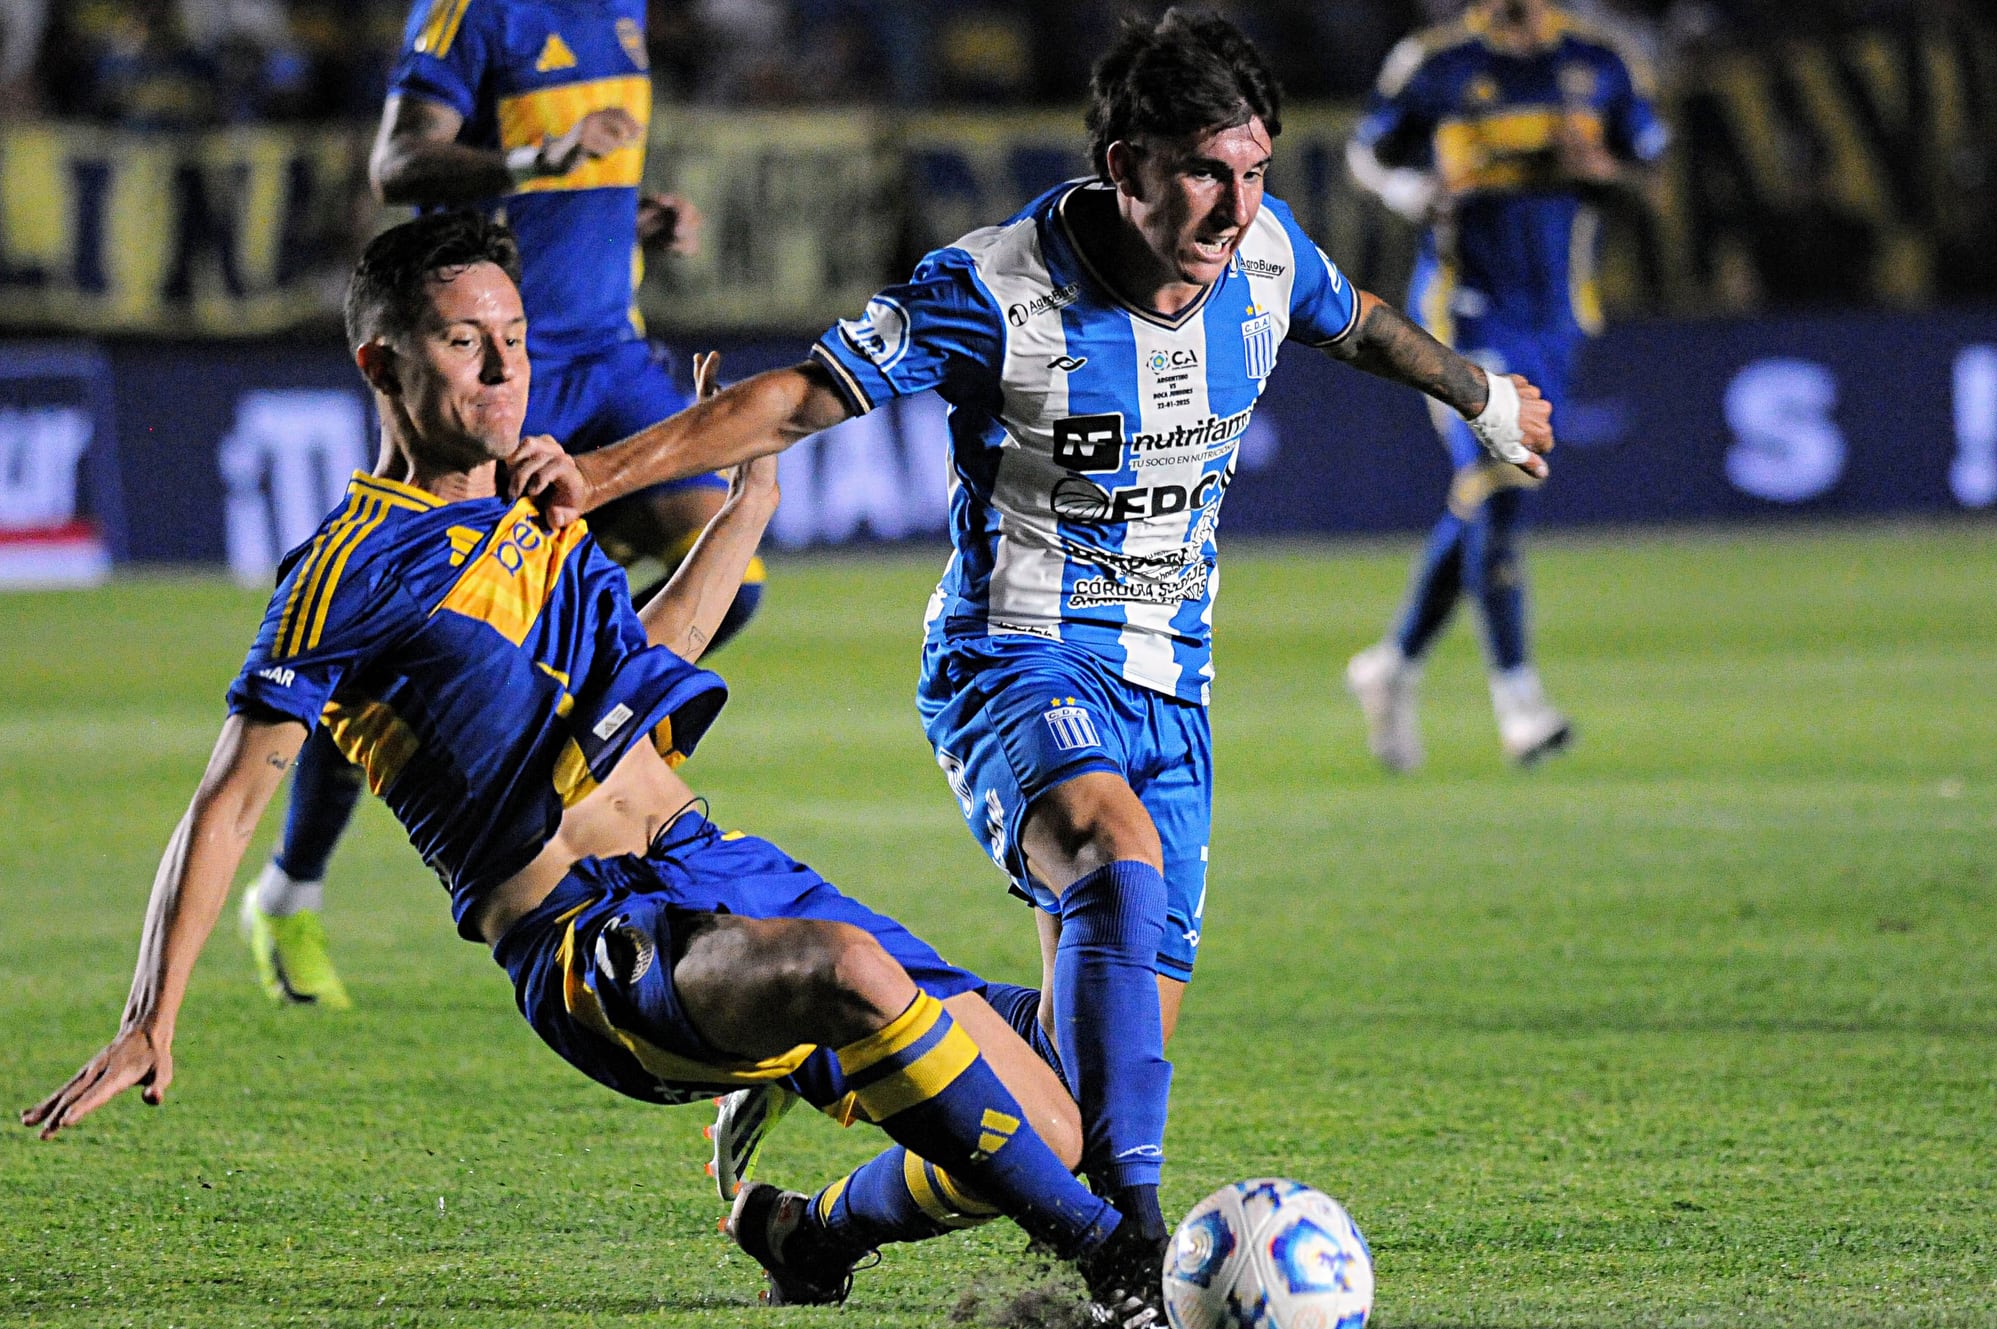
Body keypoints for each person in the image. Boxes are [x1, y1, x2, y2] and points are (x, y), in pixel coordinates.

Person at [505, 9, 1554, 1255]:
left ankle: (813, 1226)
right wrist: (602, 468)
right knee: (1111, 861)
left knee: (1067, 1088)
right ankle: (1141, 1247)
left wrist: (1479, 393)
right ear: (1125, 169)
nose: (1233, 207)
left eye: (1254, 171)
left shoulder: (1265, 257)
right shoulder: (992, 289)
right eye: (1204, 175)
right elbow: (791, 399)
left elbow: (1361, 317)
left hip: (1169, 688)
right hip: (1014, 661)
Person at [21, 211, 1169, 1329]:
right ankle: (1117, 1260)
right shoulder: (346, 566)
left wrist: (750, 501)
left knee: (1054, 1117)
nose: (505, 367)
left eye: (515, 337)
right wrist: (148, 1016)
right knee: (852, 971)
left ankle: (804, 1232)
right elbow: (230, 801)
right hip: (593, 948)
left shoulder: (548, 511)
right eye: (464, 341)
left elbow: (649, 666)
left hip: (719, 869)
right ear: (382, 362)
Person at [240, 0, 764, 1010]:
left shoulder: (622, 10)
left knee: (728, 572)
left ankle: (577, 748)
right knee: (388, 642)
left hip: (609, 351)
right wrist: (541, 160)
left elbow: (576, 176)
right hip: (501, 362)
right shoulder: (472, 13)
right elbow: (399, 164)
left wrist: (624, 208)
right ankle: (289, 887)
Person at [1342, 0, 1666, 770]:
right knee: (1498, 473)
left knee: (1490, 496)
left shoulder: (1601, 60)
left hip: (1556, 311)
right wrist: (1410, 194)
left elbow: (1650, 168)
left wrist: (1603, 172)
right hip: (1462, 306)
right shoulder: (1433, 61)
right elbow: (1366, 153)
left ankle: (1392, 665)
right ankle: (1518, 699)